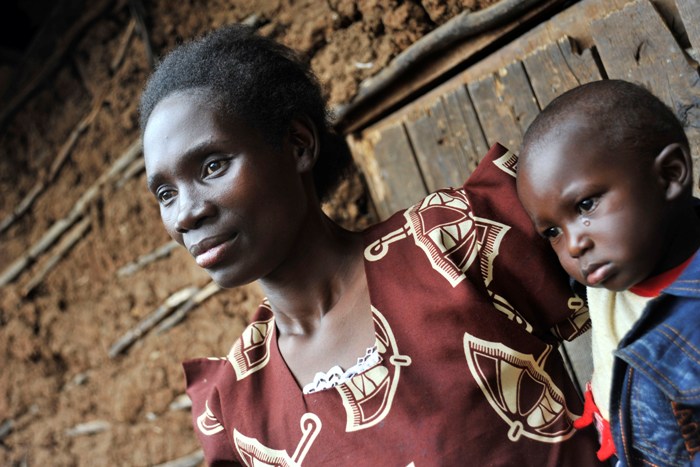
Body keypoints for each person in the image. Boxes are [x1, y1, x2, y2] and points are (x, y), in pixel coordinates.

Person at [139, 24, 603, 465]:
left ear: (299, 145)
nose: (185, 214)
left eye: (213, 166)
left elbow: (648, 297)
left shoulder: (452, 243)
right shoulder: (238, 410)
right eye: (165, 193)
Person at [516, 79, 700, 466]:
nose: (573, 245)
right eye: (552, 232)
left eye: (585, 205)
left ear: (669, 174)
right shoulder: (609, 275)